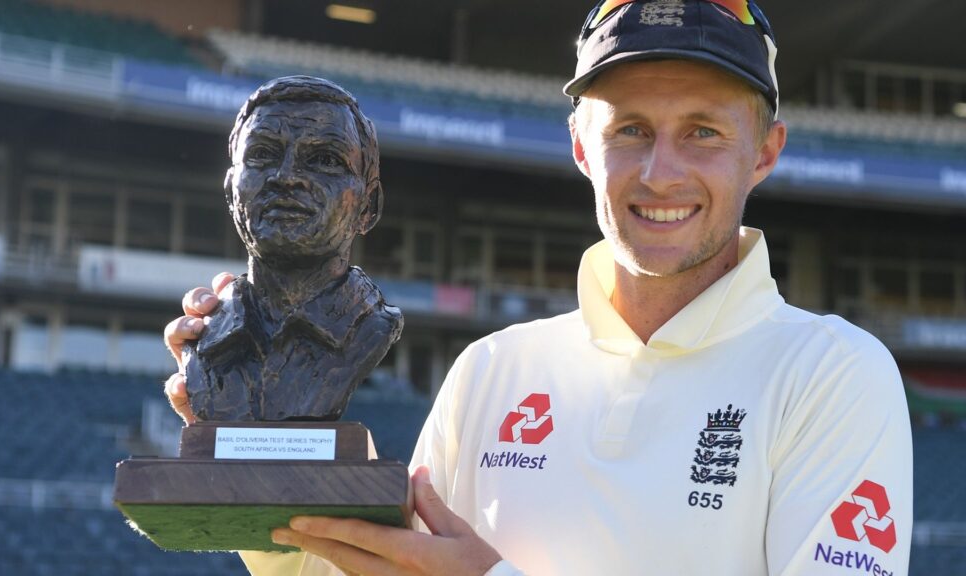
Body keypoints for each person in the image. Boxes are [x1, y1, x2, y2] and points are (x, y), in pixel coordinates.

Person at [163, 1, 913, 574]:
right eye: (629, 130)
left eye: (704, 132)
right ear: (582, 145)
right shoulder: (493, 370)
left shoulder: (835, 375)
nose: (661, 173)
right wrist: (243, 451)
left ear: (765, 153)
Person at [177, 75, 403, 423]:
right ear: (230, 194)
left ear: (368, 207)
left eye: (325, 160)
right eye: (263, 154)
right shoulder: (207, 336)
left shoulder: (373, 329)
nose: (286, 176)